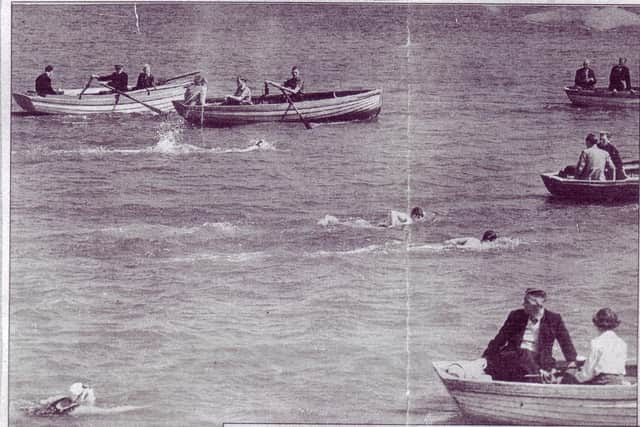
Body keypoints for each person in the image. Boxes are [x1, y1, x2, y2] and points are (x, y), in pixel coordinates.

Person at [481, 288, 577, 383]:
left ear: (537, 306)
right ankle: (539, 375)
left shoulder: (554, 319)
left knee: (526, 354)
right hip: (514, 357)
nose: (523, 304)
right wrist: (485, 357)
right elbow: (500, 339)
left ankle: (539, 374)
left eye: (527, 302)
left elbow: (566, 343)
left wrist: (572, 362)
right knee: (522, 352)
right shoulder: (516, 315)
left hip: (539, 360)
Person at [562, 308, 627, 385]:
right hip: (618, 380)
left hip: (602, 381)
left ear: (597, 324)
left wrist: (574, 374)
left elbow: (587, 374)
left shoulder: (597, 342)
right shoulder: (622, 343)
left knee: (568, 376)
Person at [26, 382, 95, 416]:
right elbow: (103, 412)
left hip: (38, 412)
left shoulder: (60, 397)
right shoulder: (78, 409)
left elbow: (42, 402)